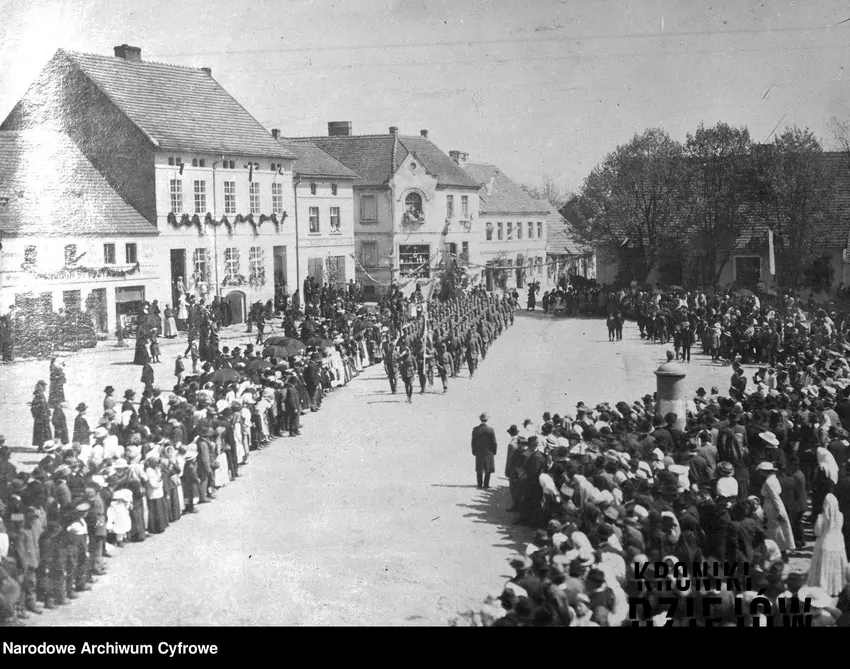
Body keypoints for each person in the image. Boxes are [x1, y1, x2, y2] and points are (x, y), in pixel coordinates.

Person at [808, 493, 849, 597]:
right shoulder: (840, 515)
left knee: (824, 570)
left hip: (824, 544)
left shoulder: (821, 517)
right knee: (836, 570)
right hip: (838, 545)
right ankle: (836, 589)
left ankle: (823, 589)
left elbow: (817, 532)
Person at [757, 461, 795, 559]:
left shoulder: (769, 482)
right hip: (772, 505)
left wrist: (780, 511)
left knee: (774, 530)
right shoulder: (773, 479)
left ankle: (779, 550)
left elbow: (775, 497)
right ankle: (779, 550)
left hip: (772, 507)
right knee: (775, 529)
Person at [471, 412, 497, 489]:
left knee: (479, 468)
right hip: (489, 452)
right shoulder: (490, 429)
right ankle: (486, 485)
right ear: (487, 420)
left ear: (480, 419)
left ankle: (479, 484)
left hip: (479, 451)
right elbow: (494, 442)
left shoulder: (475, 429)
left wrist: (474, 451)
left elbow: (473, 442)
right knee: (488, 468)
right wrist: (494, 451)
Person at [31, 381, 51, 452]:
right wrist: (37, 416)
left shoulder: (41, 395)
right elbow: (34, 408)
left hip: (43, 418)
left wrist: (48, 413)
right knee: (40, 433)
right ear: (40, 387)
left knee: (43, 433)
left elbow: (45, 406)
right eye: (43, 386)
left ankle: (41, 447)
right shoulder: (38, 396)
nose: (45, 387)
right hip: (40, 419)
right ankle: (40, 447)